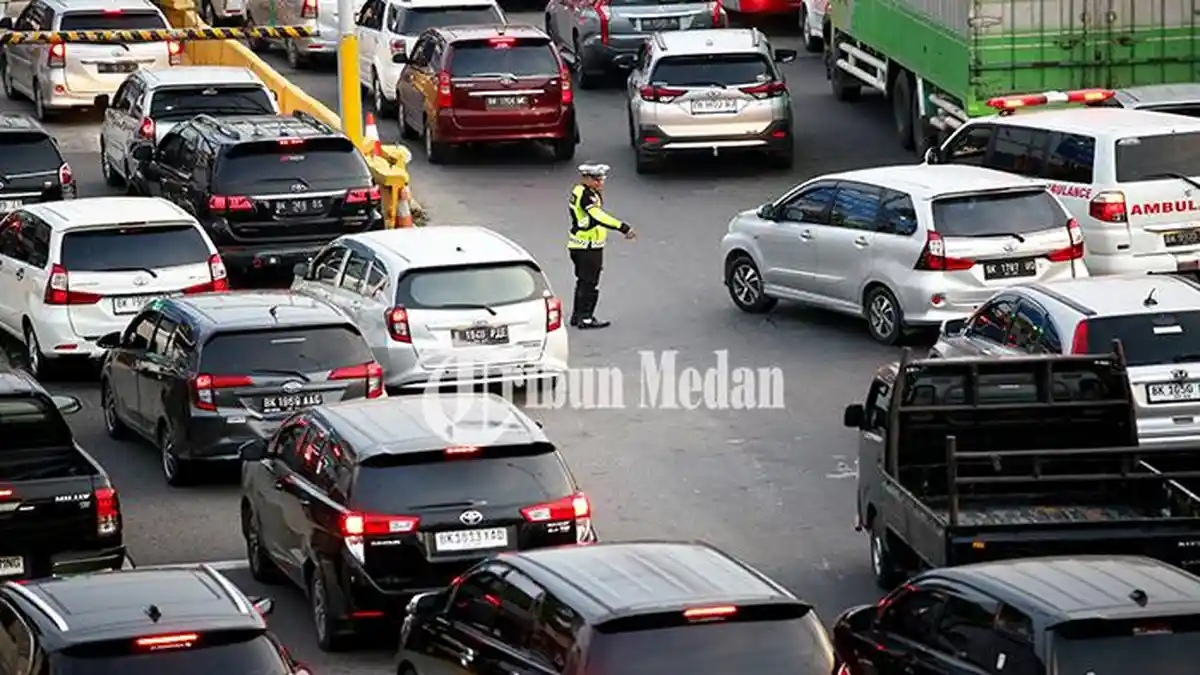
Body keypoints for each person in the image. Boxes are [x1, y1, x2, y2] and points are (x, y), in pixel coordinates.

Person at [567, 163, 636, 329]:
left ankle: (577, 316)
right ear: (586, 178)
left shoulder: (581, 191)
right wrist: (623, 227)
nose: (600, 183)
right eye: (596, 179)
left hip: (579, 245)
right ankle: (586, 318)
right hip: (588, 247)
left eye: (601, 179)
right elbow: (598, 217)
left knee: (583, 282)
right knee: (590, 283)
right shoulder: (587, 196)